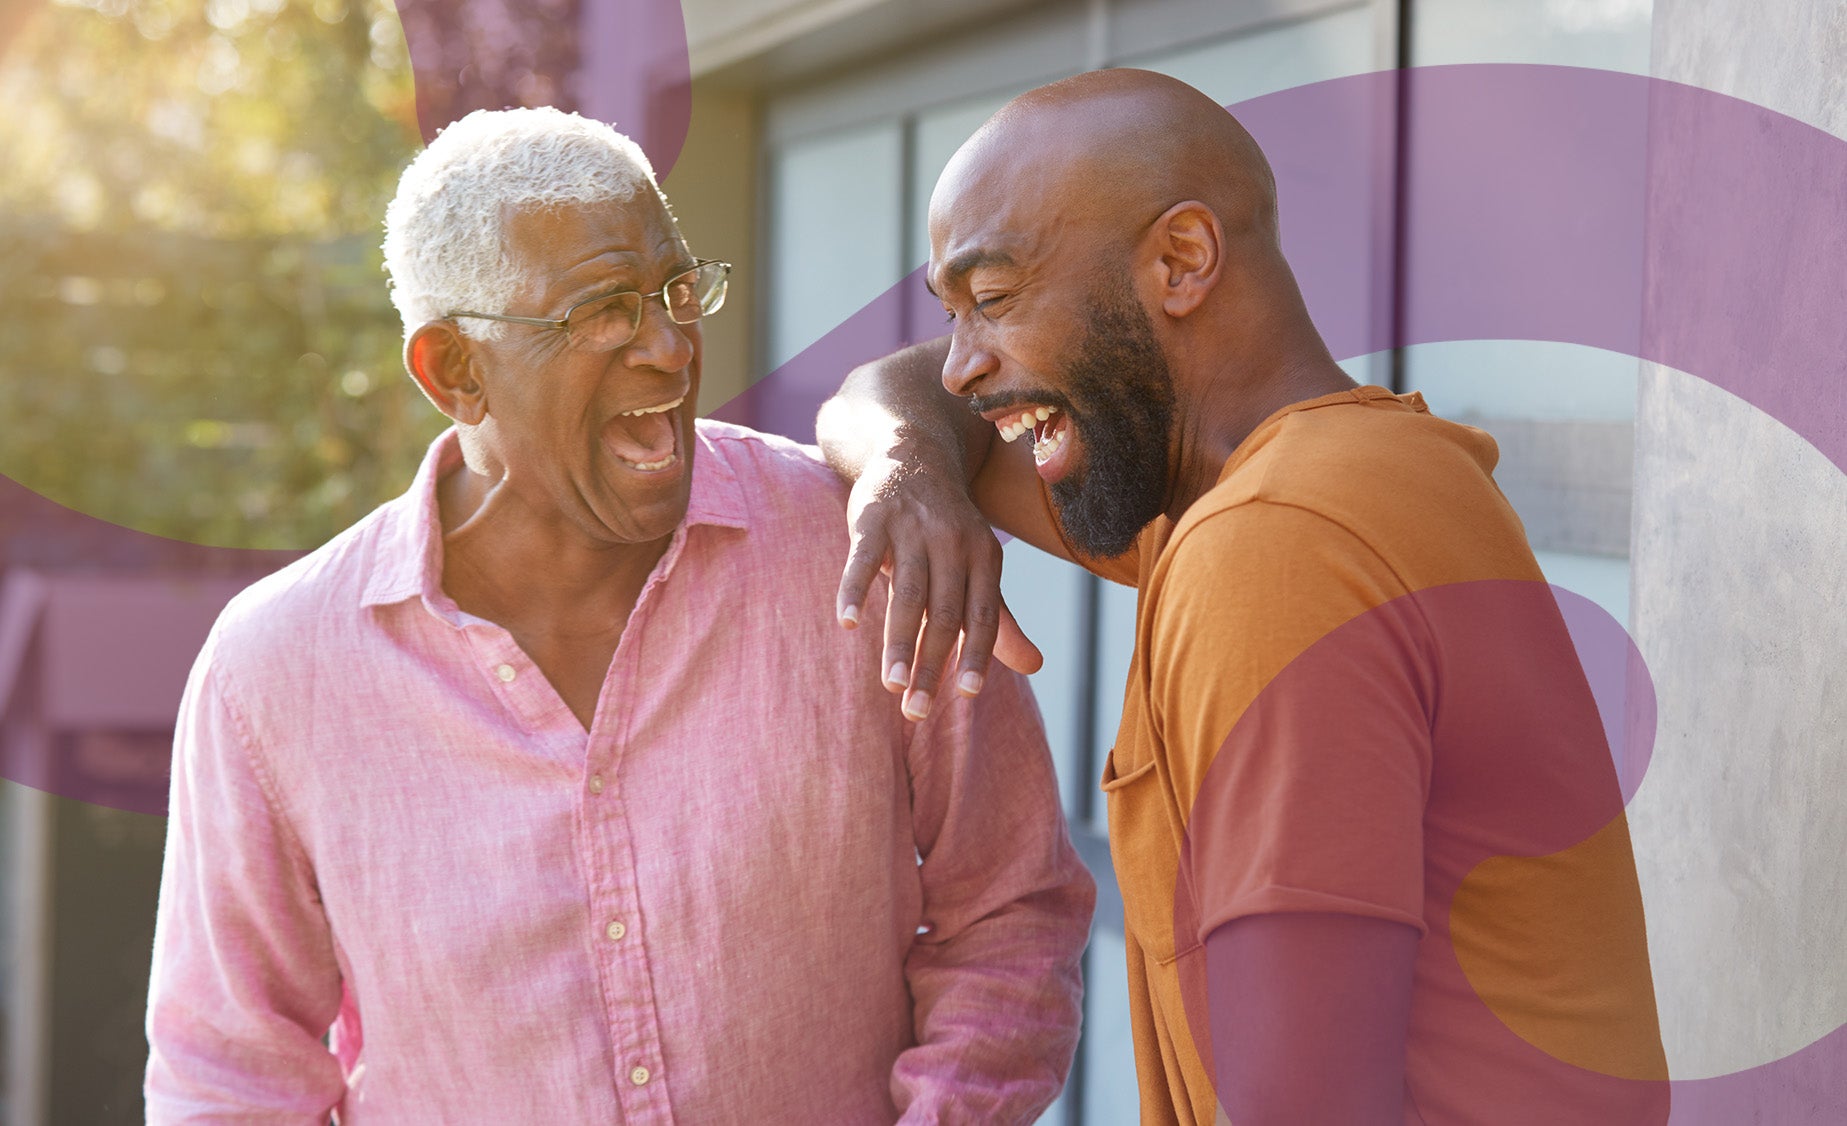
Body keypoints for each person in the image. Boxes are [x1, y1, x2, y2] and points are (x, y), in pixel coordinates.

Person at [144, 107, 1093, 1124]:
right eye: (601, 309)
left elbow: (1007, 915)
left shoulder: (861, 549)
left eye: (676, 289)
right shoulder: (274, 671)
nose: (669, 344)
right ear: (454, 372)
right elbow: (231, 1077)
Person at [817, 69, 1669, 1124]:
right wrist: (911, 471)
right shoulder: (1330, 479)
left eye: (990, 300)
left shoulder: (1272, 548)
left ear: (1180, 262)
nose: (959, 366)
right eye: (953, 313)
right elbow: (889, 391)